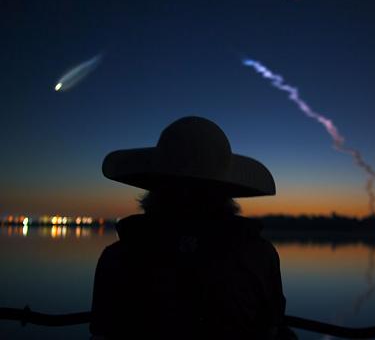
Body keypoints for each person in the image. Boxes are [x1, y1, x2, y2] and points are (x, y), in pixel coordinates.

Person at [90, 116, 296, 339]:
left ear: (155, 187)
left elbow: (103, 332)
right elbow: (272, 328)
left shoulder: (117, 257)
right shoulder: (260, 256)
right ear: (225, 191)